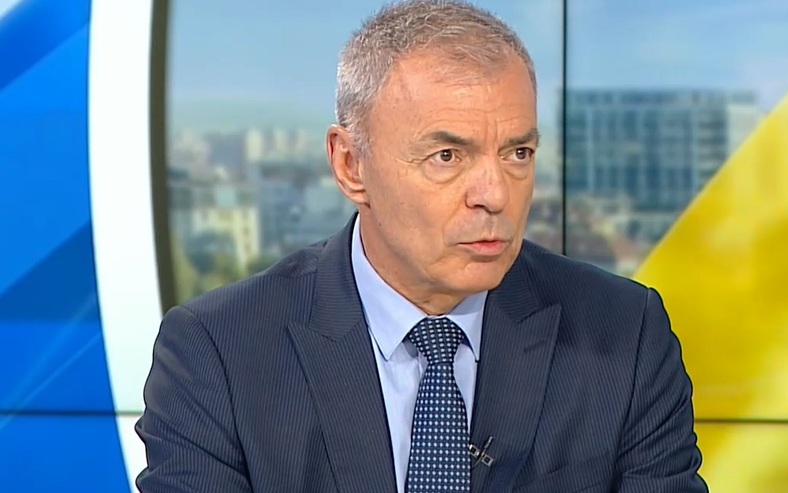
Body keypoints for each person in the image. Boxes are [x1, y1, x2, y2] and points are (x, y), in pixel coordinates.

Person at [135, 1, 708, 491]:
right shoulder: (219, 353)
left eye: (518, 153)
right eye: (447, 156)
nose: (494, 195)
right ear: (350, 165)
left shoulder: (623, 335)